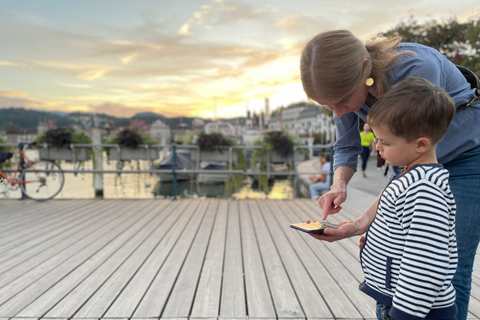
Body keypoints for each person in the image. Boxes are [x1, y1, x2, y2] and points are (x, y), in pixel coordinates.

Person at [300, 29, 480, 320]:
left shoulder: (417, 68)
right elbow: (347, 145)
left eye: (342, 101)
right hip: (414, 165)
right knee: (395, 252)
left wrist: (363, 221)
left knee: (449, 266)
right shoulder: (345, 92)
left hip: (466, 157)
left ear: (363, 72)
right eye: (328, 105)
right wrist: (339, 184)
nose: (338, 110)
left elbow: (414, 166)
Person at [360, 77, 458, 320]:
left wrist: (403, 314)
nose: (378, 147)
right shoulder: (413, 177)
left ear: (421, 144)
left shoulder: (423, 188)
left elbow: (425, 261)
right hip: (399, 301)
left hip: (413, 310)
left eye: (385, 141)